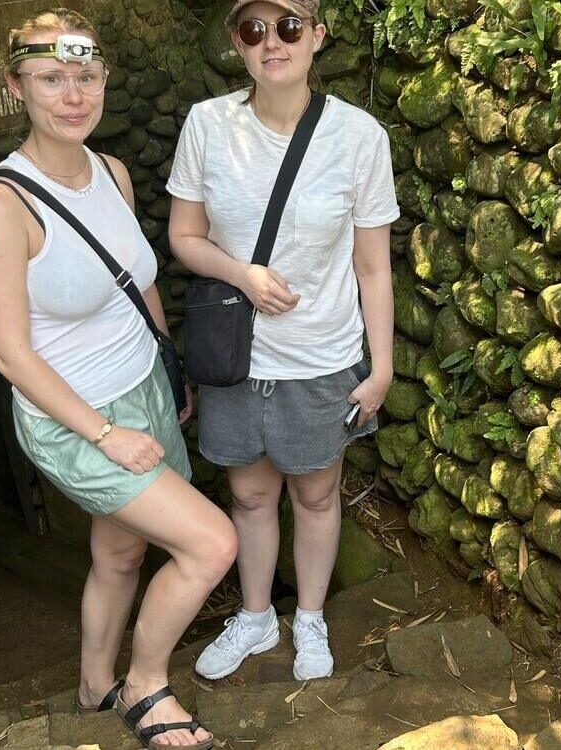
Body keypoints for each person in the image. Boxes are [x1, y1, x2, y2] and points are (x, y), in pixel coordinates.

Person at [0, 9, 236, 749]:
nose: (73, 95)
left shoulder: (112, 174)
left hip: (143, 383)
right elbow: (11, 357)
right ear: (17, 86)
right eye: (52, 78)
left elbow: (138, 281)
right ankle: (147, 685)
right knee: (212, 544)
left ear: (104, 79)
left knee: (120, 550)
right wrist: (107, 434)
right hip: (77, 417)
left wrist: (168, 365)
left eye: (85, 77)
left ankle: (92, 683)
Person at [167, 0, 398, 682]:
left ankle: (313, 617)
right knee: (249, 497)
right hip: (238, 358)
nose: (273, 42)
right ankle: (257, 614)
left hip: (321, 357)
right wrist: (242, 273)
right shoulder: (208, 125)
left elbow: (373, 266)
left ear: (317, 37)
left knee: (318, 497)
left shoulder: (359, 138)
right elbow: (184, 237)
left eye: (290, 26)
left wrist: (379, 367)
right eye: (254, 29)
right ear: (238, 43)